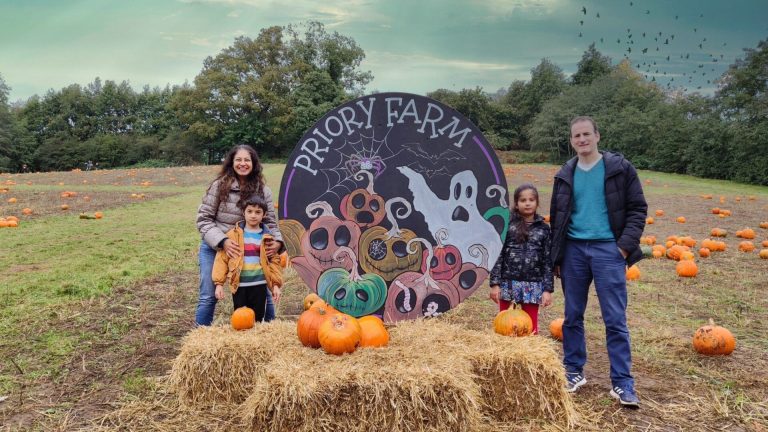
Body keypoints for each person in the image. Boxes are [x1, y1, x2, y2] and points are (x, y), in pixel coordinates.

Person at [549, 116, 647, 408]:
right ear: (571, 141)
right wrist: (558, 255)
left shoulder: (619, 168)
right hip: (574, 251)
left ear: (597, 136)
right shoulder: (565, 173)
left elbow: (638, 209)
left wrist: (624, 249)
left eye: (586, 134)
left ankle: (622, 383)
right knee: (572, 316)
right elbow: (557, 217)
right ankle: (573, 372)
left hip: (609, 250)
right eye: (576, 136)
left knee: (615, 319)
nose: (582, 139)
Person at [195, 144, 283, 326]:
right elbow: (203, 219)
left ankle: (270, 334)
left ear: (254, 163)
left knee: (264, 292)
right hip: (217, 247)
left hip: (252, 249)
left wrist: (279, 242)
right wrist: (223, 241)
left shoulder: (263, 190)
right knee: (209, 295)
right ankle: (200, 336)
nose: (243, 163)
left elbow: (271, 223)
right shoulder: (219, 186)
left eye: (247, 160)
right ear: (231, 163)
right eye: (238, 160)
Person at [489, 183, 553, 334]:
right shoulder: (508, 226)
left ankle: (529, 356)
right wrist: (495, 284)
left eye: (531, 199)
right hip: (508, 282)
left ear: (537, 202)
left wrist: (547, 289)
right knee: (505, 326)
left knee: (530, 328)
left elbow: (547, 260)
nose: (528, 203)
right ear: (516, 204)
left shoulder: (544, 228)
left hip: (533, 284)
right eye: (523, 200)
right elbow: (498, 255)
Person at [212, 197, 283, 322]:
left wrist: (276, 285)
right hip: (239, 285)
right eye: (249, 211)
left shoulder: (267, 237)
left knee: (258, 319)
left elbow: (274, 262)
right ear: (243, 212)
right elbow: (222, 259)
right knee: (241, 318)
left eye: (258, 212)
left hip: (259, 285)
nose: (253, 215)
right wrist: (219, 284)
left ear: (264, 214)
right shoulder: (233, 235)